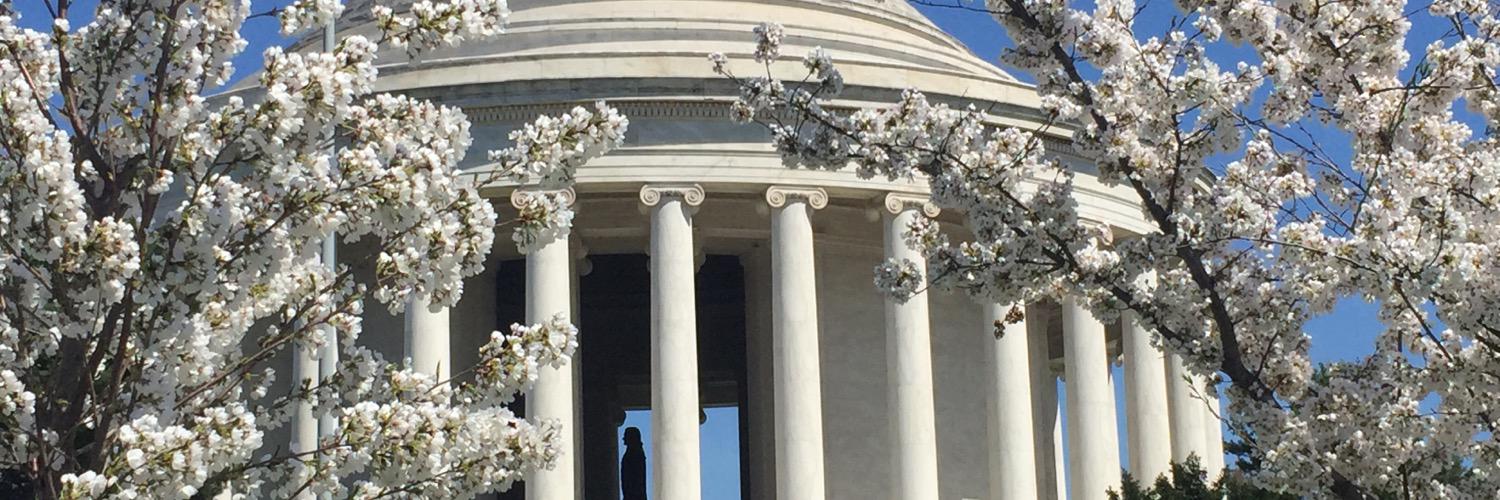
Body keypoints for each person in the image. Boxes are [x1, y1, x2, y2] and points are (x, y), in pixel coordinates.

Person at [621, 427, 647, 500]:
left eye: (625, 436)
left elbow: (634, 478)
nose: (623, 438)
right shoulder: (635, 453)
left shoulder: (635, 454)